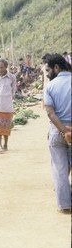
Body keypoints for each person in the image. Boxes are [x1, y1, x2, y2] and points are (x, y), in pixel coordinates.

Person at [43, 53, 71, 214]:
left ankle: (65, 205)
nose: (47, 73)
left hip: (57, 130)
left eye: (48, 70)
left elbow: (50, 113)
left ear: (56, 67)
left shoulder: (51, 86)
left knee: (60, 169)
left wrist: (63, 130)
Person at [0, 58, 17, 153]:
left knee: (6, 126)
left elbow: (13, 90)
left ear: (6, 67)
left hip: (7, 106)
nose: (0, 69)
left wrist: (9, 97)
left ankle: (5, 144)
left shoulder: (12, 77)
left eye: (2, 67)